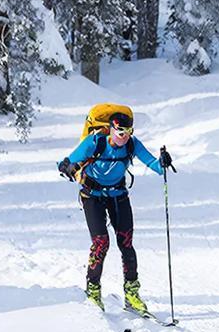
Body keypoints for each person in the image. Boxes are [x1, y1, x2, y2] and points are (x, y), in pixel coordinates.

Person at [57, 111, 173, 313]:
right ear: (111, 129)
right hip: (92, 196)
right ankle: (93, 290)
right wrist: (68, 167)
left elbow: (154, 165)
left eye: (128, 131)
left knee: (126, 243)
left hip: (118, 195)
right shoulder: (95, 143)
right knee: (101, 242)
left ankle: (132, 294)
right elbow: (64, 163)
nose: (124, 136)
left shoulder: (132, 144)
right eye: (120, 132)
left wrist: (163, 162)